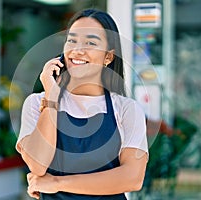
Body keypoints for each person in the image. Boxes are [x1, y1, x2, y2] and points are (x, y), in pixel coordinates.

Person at [16, 9, 148, 200]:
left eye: (91, 43)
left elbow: (132, 178)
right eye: (72, 40)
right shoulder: (37, 102)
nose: (78, 50)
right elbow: (38, 164)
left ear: (108, 57)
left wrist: (56, 183)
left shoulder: (127, 109)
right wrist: (52, 98)